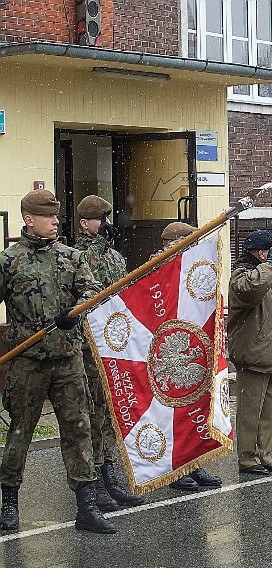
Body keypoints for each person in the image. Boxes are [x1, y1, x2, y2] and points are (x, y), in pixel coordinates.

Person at [0, 189, 116, 533]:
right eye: (48, 217)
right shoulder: (9, 260)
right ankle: (9, 503)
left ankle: (87, 506)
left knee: (78, 430)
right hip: (27, 361)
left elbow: (93, 292)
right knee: (20, 433)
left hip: (68, 359)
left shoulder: (70, 257)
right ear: (28, 220)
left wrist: (75, 311)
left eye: (56, 216)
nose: (54, 222)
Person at [75, 196, 144, 510]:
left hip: (113, 341)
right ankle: (93, 480)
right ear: (84, 223)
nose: (105, 224)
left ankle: (109, 475)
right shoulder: (76, 254)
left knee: (110, 413)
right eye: (99, 219)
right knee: (92, 413)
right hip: (89, 344)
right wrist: (99, 245)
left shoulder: (115, 256)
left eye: (107, 218)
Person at [155, 222, 223, 491]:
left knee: (192, 410)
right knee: (172, 416)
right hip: (168, 355)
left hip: (191, 348)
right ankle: (175, 469)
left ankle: (192, 464)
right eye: (190, 241)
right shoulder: (158, 269)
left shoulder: (192, 271)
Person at [229, 230, 272, 475]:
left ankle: (263, 454)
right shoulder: (241, 275)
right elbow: (249, 290)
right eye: (271, 251)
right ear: (262, 252)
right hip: (254, 353)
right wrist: (268, 266)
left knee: (268, 411)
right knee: (250, 410)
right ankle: (247, 457)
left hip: (271, 352)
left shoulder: (268, 276)